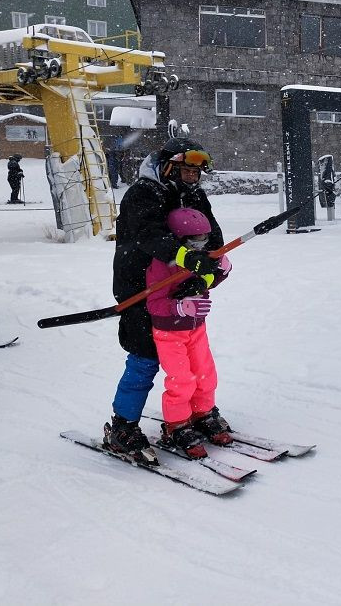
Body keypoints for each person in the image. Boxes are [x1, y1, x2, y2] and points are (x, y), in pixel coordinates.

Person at [104, 137, 224, 464]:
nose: (193, 177)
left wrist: (206, 274)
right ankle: (122, 426)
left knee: (193, 358)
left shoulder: (195, 195)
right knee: (145, 357)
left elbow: (213, 237)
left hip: (182, 291)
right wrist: (187, 257)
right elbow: (149, 237)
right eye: (186, 170)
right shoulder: (144, 193)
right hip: (140, 291)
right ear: (169, 165)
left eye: (197, 172)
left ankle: (197, 412)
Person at [147, 208, 232, 459]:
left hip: (196, 328)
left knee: (206, 374)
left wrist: (220, 272)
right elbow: (154, 303)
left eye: (204, 239)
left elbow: (206, 277)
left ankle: (203, 413)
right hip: (168, 332)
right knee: (181, 379)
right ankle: (177, 424)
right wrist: (179, 307)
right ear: (179, 240)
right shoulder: (162, 264)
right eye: (194, 241)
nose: (200, 245)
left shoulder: (200, 258)